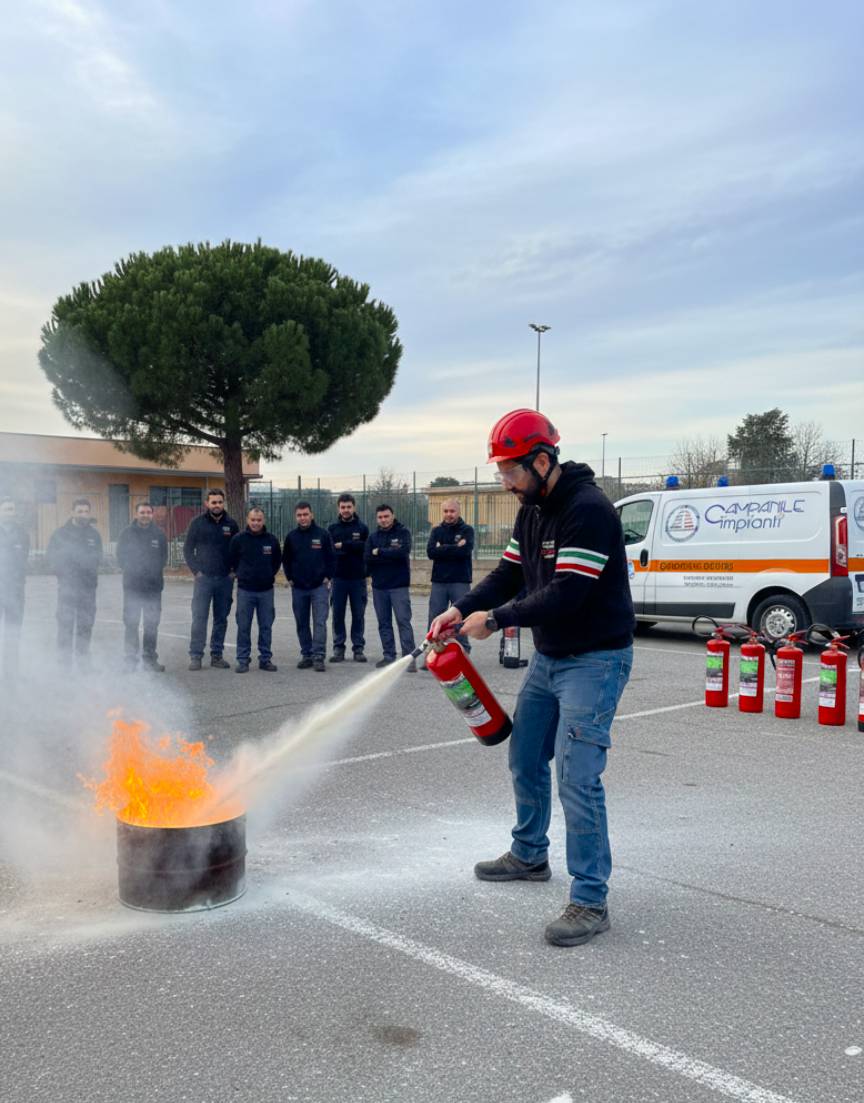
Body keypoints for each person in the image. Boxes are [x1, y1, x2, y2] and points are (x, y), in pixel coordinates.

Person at [430, 409, 634, 948]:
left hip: (595, 660)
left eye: (511, 471)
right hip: (552, 659)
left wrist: (495, 620)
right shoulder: (531, 509)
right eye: (501, 471)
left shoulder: (587, 511)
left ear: (542, 461)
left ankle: (590, 899)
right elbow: (510, 574)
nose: (505, 482)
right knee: (524, 754)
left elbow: (567, 592)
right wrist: (462, 609)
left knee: (576, 775)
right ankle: (529, 854)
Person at [184, 489, 239, 671]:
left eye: (220, 502)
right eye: (213, 502)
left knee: (221, 619)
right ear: (207, 504)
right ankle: (196, 655)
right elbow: (188, 550)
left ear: (224, 503)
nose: (217, 505)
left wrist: (233, 573)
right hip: (204, 580)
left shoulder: (231, 525)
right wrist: (196, 572)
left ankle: (217, 655)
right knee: (199, 617)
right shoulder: (197, 523)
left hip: (224, 580)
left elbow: (239, 550)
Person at [46, 498, 103, 665]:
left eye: (86, 511)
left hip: (88, 589)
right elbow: (51, 558)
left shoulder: (94, 534)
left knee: (85, 626)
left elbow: (99, 557)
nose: (83, 515)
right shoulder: (60, 534)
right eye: (80, 511)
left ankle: (83, 663)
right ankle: (64, 665)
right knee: (65, 626)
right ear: (72, 512)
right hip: (67, 590)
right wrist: (64, 575)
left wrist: (89, 571)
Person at [116, 502, 168, 672]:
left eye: (148, 512)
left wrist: (152, 574)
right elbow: (120, 557)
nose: (145, 515)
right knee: (131, 623)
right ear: (136, 514)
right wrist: (132, 572)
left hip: (153, 589)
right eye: (142, 512)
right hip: (132, 588)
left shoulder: (159, 534)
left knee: (151, 625)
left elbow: (163, 558)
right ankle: (130, 660)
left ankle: (149, 659)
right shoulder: (126, 534)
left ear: (152, 514)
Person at [229, 507, 282, 673]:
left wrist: (266, 576)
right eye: (253, 520)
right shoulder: (238, 540)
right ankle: (243, 660)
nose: (256, 523)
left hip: (266, 591)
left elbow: (276, 563)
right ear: (247, 520)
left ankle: (265, 659)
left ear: (263, 521)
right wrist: (242, 574)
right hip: (245, 591)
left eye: (259, 520)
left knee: (266, 626)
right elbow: (233, 560)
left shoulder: (272, 540)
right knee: (243, 626)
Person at [283, 501, 334, 672]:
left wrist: (328, 576)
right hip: (298, 588)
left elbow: (331, 557)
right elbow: (286, 560)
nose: (303, 518)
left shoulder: (323, 534)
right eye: (299, 515)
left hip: (319, 587)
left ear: (311, 515)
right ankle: (307, 655)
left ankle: (319, 656)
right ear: (296, 517)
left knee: (320, 622)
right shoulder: (291, 537)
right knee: (302, 622)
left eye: (305, 514)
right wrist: (290, 577)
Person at [366, 504, 416, 671]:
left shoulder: (403, 533)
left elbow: (402, 552)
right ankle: (389, 656)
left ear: (393, 516)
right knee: (384, 623)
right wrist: (386, 554)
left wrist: (379, 552)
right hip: (379, 587)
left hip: (399, 586)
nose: (384, 520)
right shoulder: (373, 537)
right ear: (377, 519)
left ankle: (409, 658)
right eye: (380, 517)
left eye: (386, 516)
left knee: (403, 621)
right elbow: (367, 558)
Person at [426, 497, 474, 655]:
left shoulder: (467, 530)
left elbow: (465, 552)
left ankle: (463, 652)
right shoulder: (436, 531)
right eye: (446, 511)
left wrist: (442, 548)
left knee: (460, 618)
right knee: (435, 617)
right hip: (439, 582)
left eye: (452, 511)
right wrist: (454, 547)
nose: (449, 514)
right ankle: (433, 651)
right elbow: (431, 552)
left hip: (460, 581)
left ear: (458, 512)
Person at [327, 493, 369, 663]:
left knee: (358, 615)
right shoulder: (332, 529)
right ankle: (339, 648)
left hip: (358, 579)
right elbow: (331, 551)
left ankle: (358, 648)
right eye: (343, 507)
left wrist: (344, 545)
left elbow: (365, 548)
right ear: (339, 508)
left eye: (348, 507)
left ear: (354, 507)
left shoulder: (362, 528)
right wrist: (353, 548)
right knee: (338, 615)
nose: (346, 510)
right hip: (338, 579)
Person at [0, 497, 29, 678]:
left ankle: (11, 673)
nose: (10, 512)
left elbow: (22, 560)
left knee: (12, 634)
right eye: (6, 509)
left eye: (12, 509)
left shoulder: (22, 534)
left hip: (15, 592)